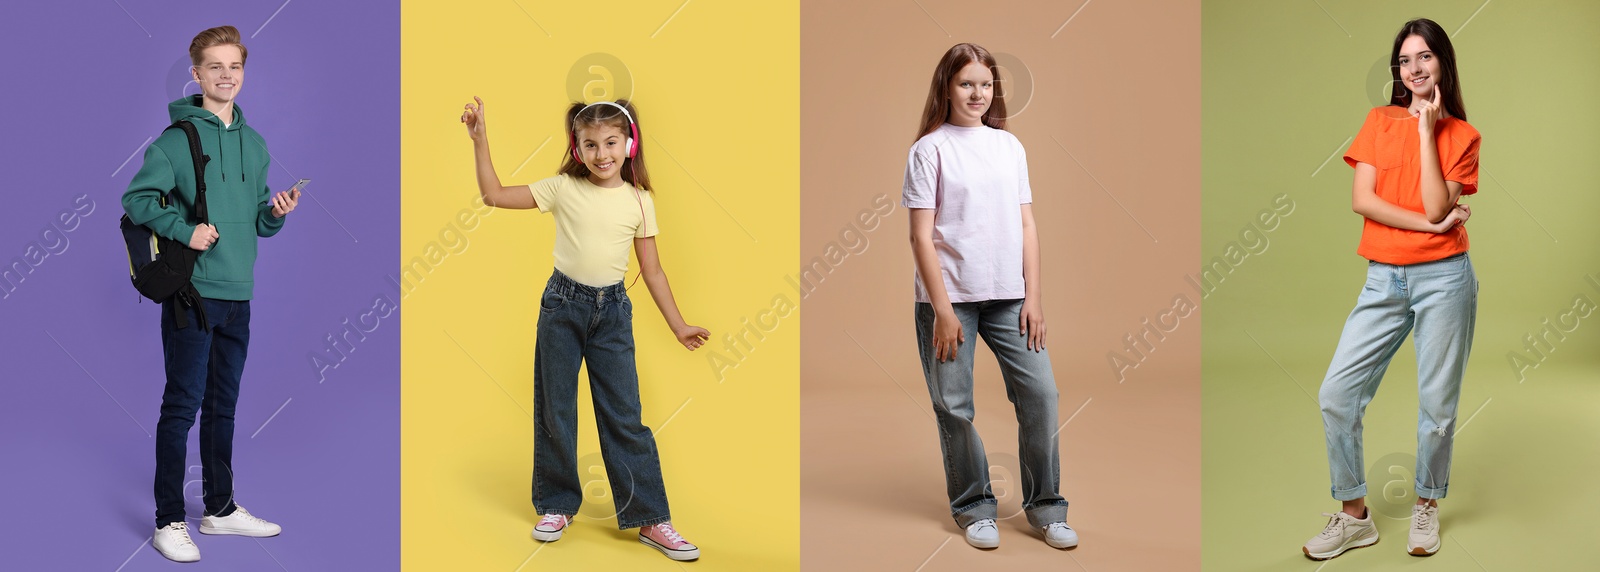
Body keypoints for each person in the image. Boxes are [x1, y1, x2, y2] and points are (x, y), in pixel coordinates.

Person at [459, 95, 709, 562]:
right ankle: (556, 505)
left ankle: (651, 518)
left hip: (612, 314)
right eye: (590, 144)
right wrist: (481, 141)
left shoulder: (640, 201)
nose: (601, 154)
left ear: (629, 144)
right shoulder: (561, 189)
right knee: (556, 408)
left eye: (611, 142)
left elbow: (653, 271)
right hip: (562, 307)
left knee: (624, 416)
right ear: (577, 149)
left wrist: (677, 326)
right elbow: (493, 195)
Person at [1302, 17, 1481, 561]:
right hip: (1384, 277)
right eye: (1405, 60)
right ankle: (1354, 515)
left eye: (1424, 57)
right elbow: (1365, 200)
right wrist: (1431, 226)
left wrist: (1427, 131)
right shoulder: (1378, 120)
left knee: (1437, 406)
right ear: (1397, 71)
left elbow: (1434, 199)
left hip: (1445, 279)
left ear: (1442, 63)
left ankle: (1426, 504)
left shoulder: (1463, 136)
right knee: (1337, 394)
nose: (1415, 68)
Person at [122, 25, 301, 563]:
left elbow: (255, 221)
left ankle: (219, 510)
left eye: (235, 67)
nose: (227, 76)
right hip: (193, 293)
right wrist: (184, 231)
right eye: (215, 67)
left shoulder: (256, 143)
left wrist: (275, 214)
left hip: (238, 292)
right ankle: (168, 521)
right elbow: (137, 199)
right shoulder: (175, 142)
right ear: (196, 75)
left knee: (223, 407)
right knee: (181, 407)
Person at [903, 42, 1076, 551]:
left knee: (1041, 397)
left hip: (1009, 297)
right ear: (947, 88)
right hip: (949, 300)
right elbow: (920, 236)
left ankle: (1046, 507)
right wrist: (941, 311)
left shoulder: (1009, 146)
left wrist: (1034, 297)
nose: (978, 93)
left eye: (986, 84)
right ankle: (974, 506)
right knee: (955, 406)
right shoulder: (929, 150)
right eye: (966, 84)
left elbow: (1027, 223)